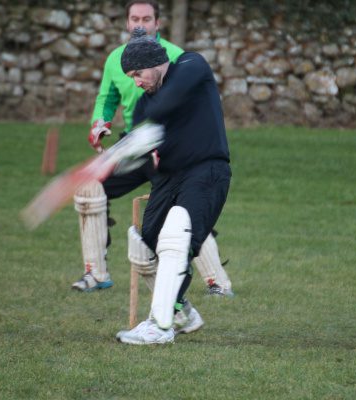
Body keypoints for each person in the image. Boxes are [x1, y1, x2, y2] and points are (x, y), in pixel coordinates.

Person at [72, 0, 233, 298]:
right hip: (136, 145)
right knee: (89, 187)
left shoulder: (174, 57)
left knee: (183, 211)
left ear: (157, 23)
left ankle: (216, 281)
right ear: (126, 21)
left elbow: (184, 104)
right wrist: (100, 122)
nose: (140, 25)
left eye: (146, 19)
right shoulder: (115, 59)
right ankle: (96, 273)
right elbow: (106, 98)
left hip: (177, 148)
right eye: (134, 18)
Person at [115, 27, 231, 345]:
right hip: (168, 178)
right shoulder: (144, 103)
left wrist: (139, 135)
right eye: (131, 76)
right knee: (143, 243)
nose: (136, 81)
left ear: (156, 62)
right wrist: (106, 174)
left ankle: (160, 326)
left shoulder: (192, 67)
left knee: (177, 231)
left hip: (207, 170)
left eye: (138, 73)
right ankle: (181, 312)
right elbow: (140, 158)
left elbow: (169, 102)